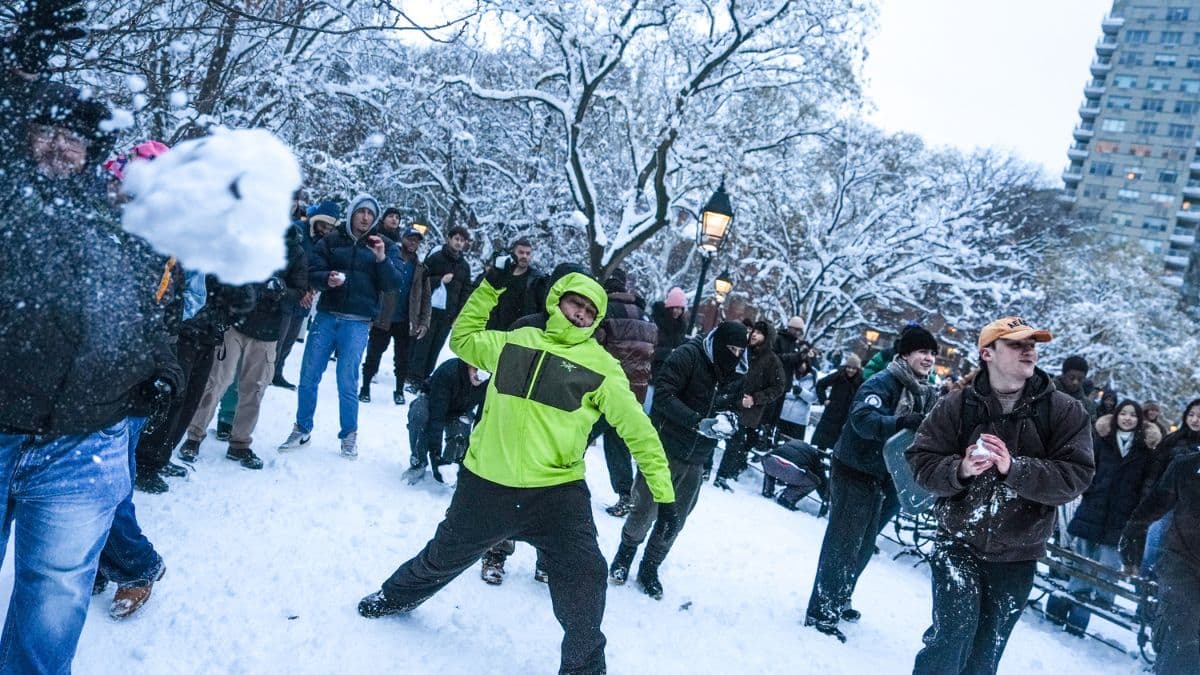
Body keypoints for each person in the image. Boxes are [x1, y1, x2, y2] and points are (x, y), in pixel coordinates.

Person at [356, 265, 675, 675]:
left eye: (589, 310)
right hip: (487, 484)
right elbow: (463, 340)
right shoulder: (515, 341)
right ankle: (395, 596)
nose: (580, 313)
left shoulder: (602, 367)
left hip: (556, 492)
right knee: (442, 557)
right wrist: (488, 289)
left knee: (585, 576)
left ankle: (584, 668)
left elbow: (639, 432)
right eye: (574, 302)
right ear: (557, 301)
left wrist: (663, 495)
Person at [0, 22, 181, 668]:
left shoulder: (118, 226)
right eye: (44, 131)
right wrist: (17, 72)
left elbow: (150, 315)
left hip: (82, 445)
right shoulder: (8, 200)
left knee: (53, 599)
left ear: (91, 150)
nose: (58, 145)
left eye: (72, 136)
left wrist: (162, 370)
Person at [905, 316, 1094, 674]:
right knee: (950, 639)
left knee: (984, 657)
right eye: (1016, 344)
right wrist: (960, 469)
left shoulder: (1065, 411)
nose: (1028, 351)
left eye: (1032, 344)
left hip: (1018, 553)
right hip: (957, 541)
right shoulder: (957, 404)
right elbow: (920, 461)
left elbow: (1077, 476)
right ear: (987, 353)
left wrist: (1014, 469)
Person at [803, 324, 938, 642]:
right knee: (844, 543)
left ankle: (841, 597)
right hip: (856, 469)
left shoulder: (925, 392)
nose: (929, 358)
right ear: (904, 354)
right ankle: (822, 610)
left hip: (888, 477)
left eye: (933, 353)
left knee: (864, 545)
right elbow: (862, 421)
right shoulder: (882, 383)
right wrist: (900, 421)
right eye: (923, 351)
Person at [609, 321, 747, 600]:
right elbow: (663, 395)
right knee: (644, 509)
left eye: (739, 351)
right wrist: (696, 421)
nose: (733, 356)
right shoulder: (689, 355)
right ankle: (624, 555)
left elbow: (733, 407)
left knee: (675, 519)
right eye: (730, 349)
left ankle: (650, 566)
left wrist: (730, 421)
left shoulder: (737, 372)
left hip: (697, 458)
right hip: (664, 448)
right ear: (718, 342)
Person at [279, 194, 401, 458]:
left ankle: (349, 435)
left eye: (370, 214)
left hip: (357, 323)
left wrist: (381, 259)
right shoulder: (332, 240)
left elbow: (394, 284)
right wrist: (327, 279)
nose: (365, 217)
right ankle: (302, 428)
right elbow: (311, 272)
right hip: (326, 316)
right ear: (352, 213)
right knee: (309, 375)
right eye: (361, 212)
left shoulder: (384, 245)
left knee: (347, 381)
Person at [180, 228, 308, 469]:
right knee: (215, 382)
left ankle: (240, 443)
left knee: (255, 389)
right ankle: (193, 436)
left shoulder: (295, 249)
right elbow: (223, 273)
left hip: (269, 329)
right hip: (235, 322)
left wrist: (282, 289)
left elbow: (300, 290)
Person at [1047, 400, 1159, 633]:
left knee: (1108, 566)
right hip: (1093, 508)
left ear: (1139, 420)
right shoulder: (1102, 442)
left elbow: (1146, 484)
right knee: (1081, 563)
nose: (1127, 418)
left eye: (1133, 415)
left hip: (1121, 516)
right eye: (1123, 413)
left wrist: (1136, 507)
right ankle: (1070, 616)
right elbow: (1087, 468)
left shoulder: (1144, 451)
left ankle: (1093, 610)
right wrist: (1091, 489)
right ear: (1116, 416)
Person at [1119, 449, 1200, 674]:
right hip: (1181, 566)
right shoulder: (1186, 466)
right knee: (1182, 639)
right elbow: (1151, 507)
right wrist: (1130, 542)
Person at [592, 268, 657, 516]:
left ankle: (555, 486)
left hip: (606, 389)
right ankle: (625, 494)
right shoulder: (645, 316)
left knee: (577, 439)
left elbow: (594, 347)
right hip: (633, 395)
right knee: (618, 444)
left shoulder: (605, 311)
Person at [359, 226, 431, 405]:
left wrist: (424, 322)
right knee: (373, 355)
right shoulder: (388, 258)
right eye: (410, 239)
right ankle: (365, 387)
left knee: (403, 359)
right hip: (383, 316)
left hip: (406, 320)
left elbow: (425, 298)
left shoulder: (421, 268)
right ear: (403, 239)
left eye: (417, 241)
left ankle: (399, 390)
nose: (413, 243)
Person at [714, 320, 785, 490]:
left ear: (767, 337)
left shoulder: (772, 360)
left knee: (735, 443)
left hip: (747, 408)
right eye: (754, 331)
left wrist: (755, 399)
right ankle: (706, 468)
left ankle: (723, 476)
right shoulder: (742, 349)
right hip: (728, 398)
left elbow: (778, 387)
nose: (754, 335)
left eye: (760, 333)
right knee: (713, 430)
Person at [402, 357, 487, 484]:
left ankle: (451, 468)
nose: (478, 375)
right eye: (475, 369)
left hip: (460, 411)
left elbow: (481, 421)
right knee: (419, 415)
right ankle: (418, 462)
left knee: (460, 435)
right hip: (432, 402)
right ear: (468, 364)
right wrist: (435, 457)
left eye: (484, 371)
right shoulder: (448, 372)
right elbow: (436, 418)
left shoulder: (490, 382)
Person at [407, 224, 472, 389]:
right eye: (456, 239)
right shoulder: (436, 257)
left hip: (449, 314)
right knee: (422, 345)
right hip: (430, 311)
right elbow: (421, 279)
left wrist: (459, 314)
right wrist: (439, 281)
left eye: (462, 240)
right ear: (449, 239)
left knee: (436, 347)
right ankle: (413, 377)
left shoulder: (464, 266)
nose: (459, 243)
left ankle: (425, 378)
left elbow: (466, 292)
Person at [1140, 399, 1200, 575]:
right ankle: (1146, 581)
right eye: (1191, 415)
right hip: (1165, 504)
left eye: (1199, 417)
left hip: (1190, 510)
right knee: (1154, 540)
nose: (1195, 420)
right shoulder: (1172, 440)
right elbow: (1154, 472)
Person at [485, 237, 540, 330]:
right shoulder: (500, 275)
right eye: (521, 252)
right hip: (494, 330)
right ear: (513, 253)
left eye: (528, 253)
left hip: (519, 332)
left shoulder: (536, 281)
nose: (524, 256)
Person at [811, 354, 864, 451]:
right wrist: (824, 400)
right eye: (848, 367)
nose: (850, 370)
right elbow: (821, 384)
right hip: (832, 413)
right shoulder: (839, 375)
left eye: (854, 368)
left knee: (839, 446)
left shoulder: (861, 381)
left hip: (846, 416)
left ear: (858, 369)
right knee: (822, 443)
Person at [646, 286, 688, 410]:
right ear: (669, 307)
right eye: (675, 307)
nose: (677, 311)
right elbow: (649, 349)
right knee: (647, 406)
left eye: (680, 308)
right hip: (651, 372)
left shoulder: (681, 326)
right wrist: (669, 352)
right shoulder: (656, 322)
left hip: (668, 375)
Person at [1055, 355, 1097, 421]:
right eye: (1071, 378)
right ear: (1063, 375)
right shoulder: (1047, 394)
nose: (1075, 382)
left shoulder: (1087, 405)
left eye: (1080, 379)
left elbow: (1091, 424)